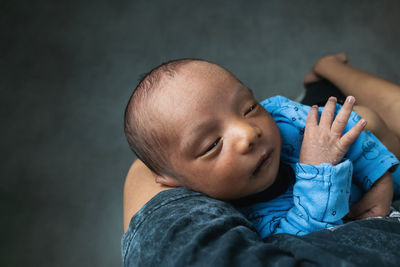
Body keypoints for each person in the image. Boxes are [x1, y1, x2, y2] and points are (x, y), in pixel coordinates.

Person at [122, 53, 400, 266]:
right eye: (212, 144)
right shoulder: (239, 221)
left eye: (249, 107)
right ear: (172, 182)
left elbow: (349, 126)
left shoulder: (278, 114)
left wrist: (379, 180)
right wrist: (318, 170)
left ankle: (327, 69)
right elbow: (302, 238)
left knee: (370, 117)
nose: (248, 133)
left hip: (308, 119)